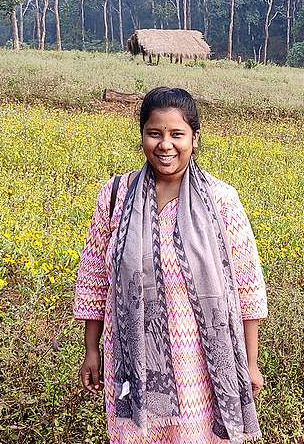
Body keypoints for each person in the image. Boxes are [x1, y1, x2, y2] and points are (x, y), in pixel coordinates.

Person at [73, 87, 268, 443]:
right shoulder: (115, 195)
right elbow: (94, 278)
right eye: (154, 133)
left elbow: (248, 287)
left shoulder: (221, 200)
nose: (165, 145)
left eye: (176, 134)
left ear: (194, 137)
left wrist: (250, 363)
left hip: (201, 363)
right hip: (132, 361)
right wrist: (91, 349)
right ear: (142, 136)